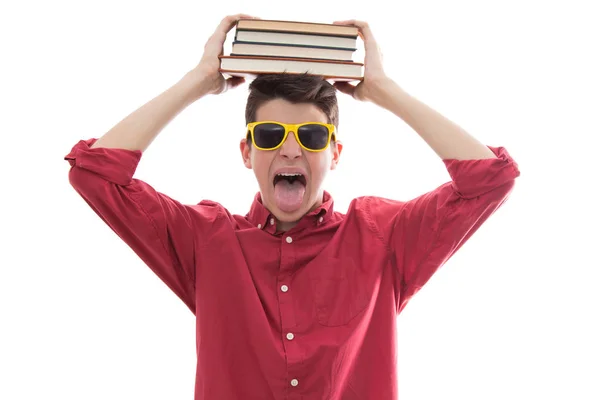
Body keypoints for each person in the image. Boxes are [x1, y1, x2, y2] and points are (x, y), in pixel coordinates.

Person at [64, 13, 520, 400]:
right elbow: (95, 175)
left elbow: (490, 179)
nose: (289, 150)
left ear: (335, 153)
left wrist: (383, 89)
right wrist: (199, 80)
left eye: (311, 136)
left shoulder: (383, 236)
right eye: (270, 135)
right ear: (247, 152)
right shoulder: (205, 240)